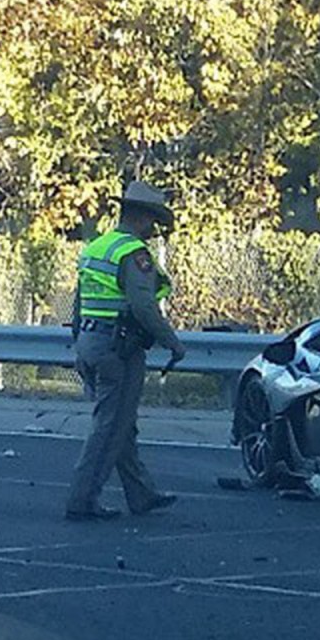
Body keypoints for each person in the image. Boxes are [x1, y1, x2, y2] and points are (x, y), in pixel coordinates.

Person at [65, 182, 186, 520]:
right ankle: (82, 500)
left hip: (91, 341)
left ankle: (141, 494)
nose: (154, 230)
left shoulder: (97, 247)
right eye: (153, 222)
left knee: (121, 425)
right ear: (143, 218)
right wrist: (173, 343)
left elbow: (78, 304)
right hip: (119, 350)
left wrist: (79, 345)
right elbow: (144, 307)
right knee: (109, 428)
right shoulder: (133, 253)